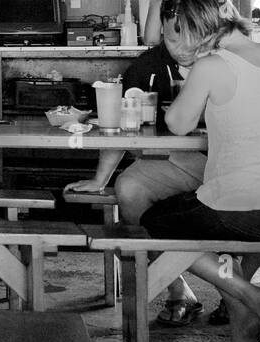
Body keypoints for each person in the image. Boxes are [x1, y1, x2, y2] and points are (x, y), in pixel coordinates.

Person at [138, 0, 260, 342]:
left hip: (236, 205)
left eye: (180, 32)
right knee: (227, 250)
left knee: (154, 221)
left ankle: (253, 296)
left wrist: (195, 77)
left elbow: (177, 124)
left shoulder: (213, 65)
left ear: (197, 30)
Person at [65, 36, 203, 326]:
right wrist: (101, 179)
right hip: (178, 161)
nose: (181, 44)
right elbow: (123, 121)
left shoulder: (222, 62)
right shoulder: (146, 67)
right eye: (173, 35)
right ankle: (177, 288)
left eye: (189, 32)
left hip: (235, 163)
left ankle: (237, 293)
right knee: (129, 188)